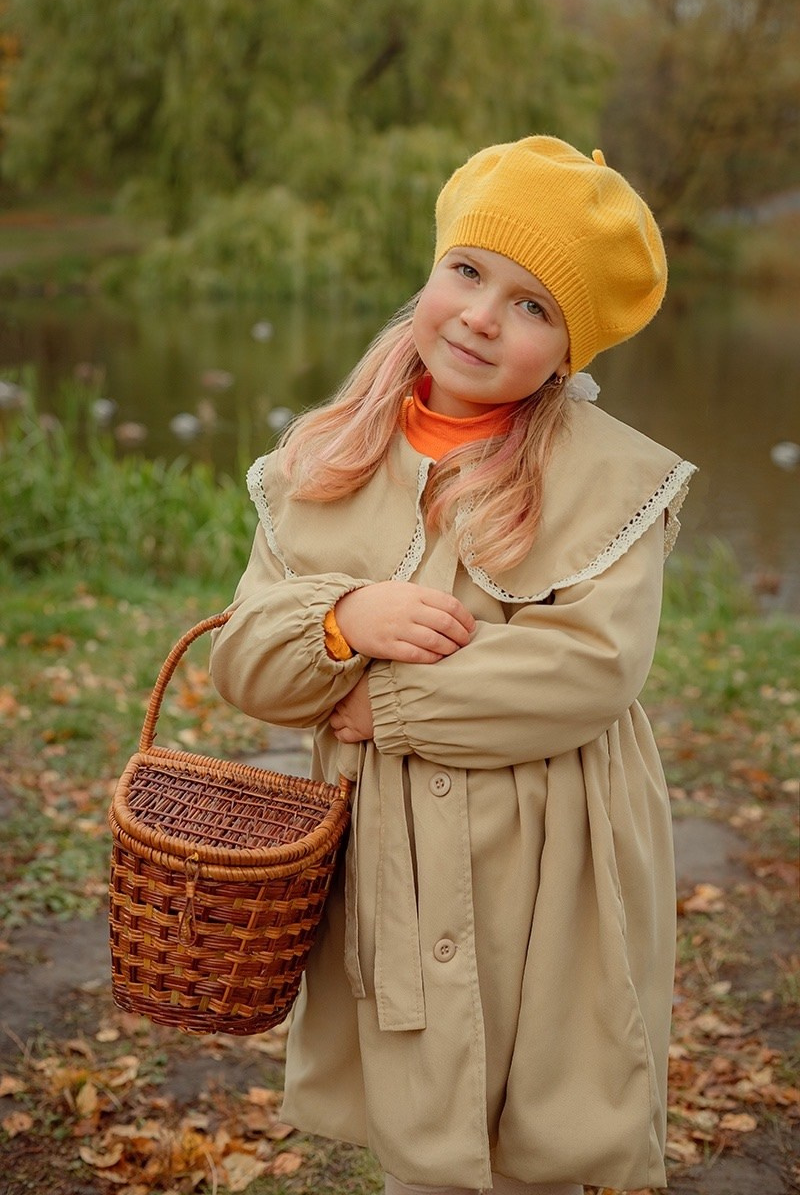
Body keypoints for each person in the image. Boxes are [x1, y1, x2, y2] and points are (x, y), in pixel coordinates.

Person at [209, 135, 696, 1195]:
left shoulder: (606, 482)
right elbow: (246, 658)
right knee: (418, 1103)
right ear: (430, 275)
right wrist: (339, 618)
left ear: (569, 350)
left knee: (544, 1098)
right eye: (467, 272)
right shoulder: (326, 456)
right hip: (387, 848)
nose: (480, 315)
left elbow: (589, 669)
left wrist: (388, 700)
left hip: (547, 844)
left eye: (531, 306)